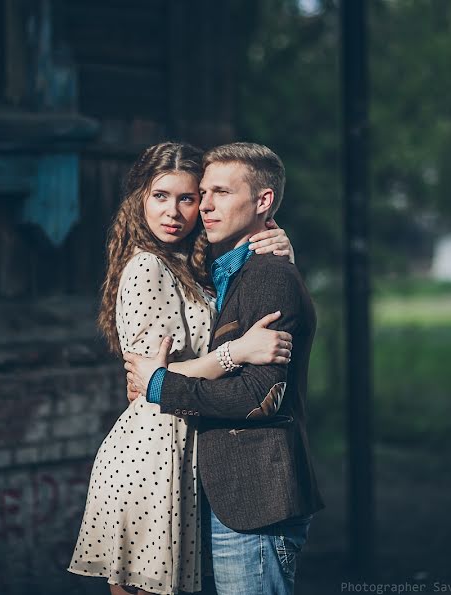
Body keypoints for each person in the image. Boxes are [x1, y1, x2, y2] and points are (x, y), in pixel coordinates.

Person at [67, 142, 296, 595]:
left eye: (187, 198)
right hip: (151, 455)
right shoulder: (147, 266)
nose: (174, 211)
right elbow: (156, 380)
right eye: (160, 196)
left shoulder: (192, 265)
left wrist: (282, 242)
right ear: (139, 200)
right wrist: (240, 352)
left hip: (184, 444)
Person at [125, 142, 323, 595]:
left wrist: (160, 384)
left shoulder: (269, 276)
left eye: (221, 193)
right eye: (204, 193)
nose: (206, 205)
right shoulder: (217, 270)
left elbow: (258, 397)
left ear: (263, 202)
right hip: (221, 491)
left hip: (257, 495)